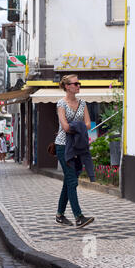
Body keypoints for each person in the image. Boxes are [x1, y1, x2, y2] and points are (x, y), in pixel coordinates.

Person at [55, 74, 95, 228]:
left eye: (79, 84)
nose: (78, 86)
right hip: (63, 146)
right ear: (67, 87)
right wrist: (78, 127)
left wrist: (75, 127)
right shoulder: (61, 104)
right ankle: (79, 217)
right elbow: (64, 127)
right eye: (75, 84)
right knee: (72, 180)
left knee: (69, 181)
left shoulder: (83, 103)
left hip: (78, 146)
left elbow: (88, 125)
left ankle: (60, 215)